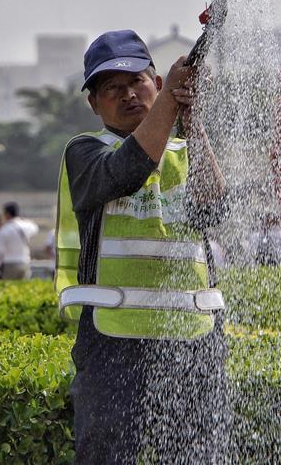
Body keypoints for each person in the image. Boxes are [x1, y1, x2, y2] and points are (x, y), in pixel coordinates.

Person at [55, 30, 228, 462]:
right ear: (95, 105)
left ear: (155, 82)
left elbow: (215, 211)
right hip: (114, 340)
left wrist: (191, 114)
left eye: (138, 82)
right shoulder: (86, 151)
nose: (129, 94)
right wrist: (170, 102)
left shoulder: (186, 151)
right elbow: (125, 171)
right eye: (112, 88)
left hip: (192, 338)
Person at [0, 202, 38, 280]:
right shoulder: (25, 225)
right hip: (24, 261)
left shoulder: (5, 229)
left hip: (10, 262)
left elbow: (0, 250)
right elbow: (35, 228)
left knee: (9, 288)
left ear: (7, 214)